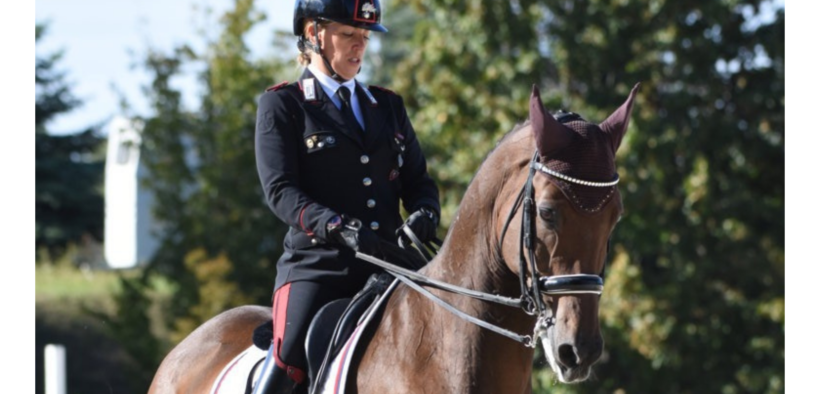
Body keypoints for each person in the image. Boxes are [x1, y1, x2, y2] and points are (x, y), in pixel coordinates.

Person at [252, 0, 440, 393]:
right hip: (320, 267)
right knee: (286, 365)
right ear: (313, 34)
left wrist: (425, 211)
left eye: (365, 37)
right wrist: (335, 225)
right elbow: (281, 191)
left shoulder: (387, 105)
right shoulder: (283, 105)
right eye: (348, 35)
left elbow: (419, 181)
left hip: (391, 263)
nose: (359, 46)